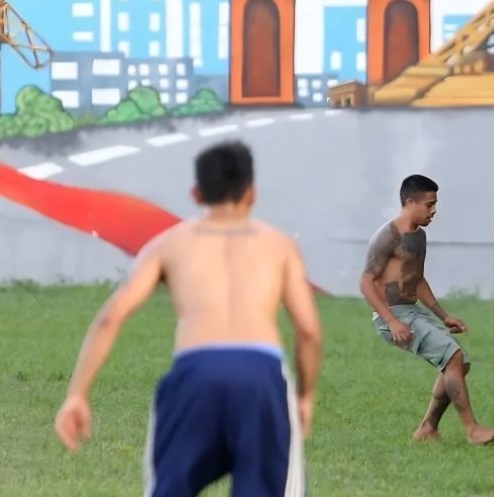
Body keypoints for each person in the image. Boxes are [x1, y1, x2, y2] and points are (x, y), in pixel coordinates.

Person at [53, 140, 323, 496]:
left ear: (196, 194)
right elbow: (308, 331)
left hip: (195, 375)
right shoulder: (279, 246)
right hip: (261, 377)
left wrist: (77, 394)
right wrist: (304, 397)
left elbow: (110, 318)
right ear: (252, 193)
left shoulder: (169, 244)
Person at [360, 174, 494, 445]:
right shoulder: (388, 236)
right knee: (453, 358)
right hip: (393, 315)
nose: (434, 210)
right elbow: (366, 282)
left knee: (460, 362)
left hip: (410, 311)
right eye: (429, 205)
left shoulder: (419, 236)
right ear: (410, 202)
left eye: (435, 204)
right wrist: (391, 321)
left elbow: (418, 279)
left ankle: (428, 428)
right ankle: (472, 429)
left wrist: (444, 315)